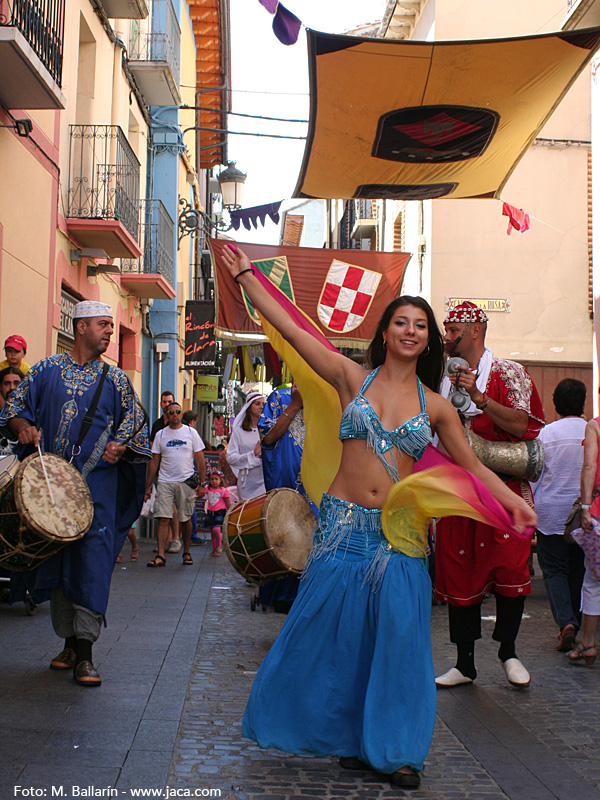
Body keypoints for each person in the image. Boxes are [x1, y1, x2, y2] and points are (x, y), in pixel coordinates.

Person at [221, 246, 536, 790]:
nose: (410, 332)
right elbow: (295, 334)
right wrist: (249, 278)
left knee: (401, 644)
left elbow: (471, 464)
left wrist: (511, 501)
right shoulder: (351, 379)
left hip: (399, 540)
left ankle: (399, 751)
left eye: (420, 326)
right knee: (334, 639)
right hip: (342, 531)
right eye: (401, 323)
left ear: (428, 339)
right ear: (385, 333)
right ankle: (351, 738)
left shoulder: (436, 406)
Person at [0, 301, 150, 686]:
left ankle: (86, 653)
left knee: (93, 565)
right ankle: (69, 643)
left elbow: (136, 421)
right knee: (61, 566)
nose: (109, 333)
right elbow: (14, 408)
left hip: (98, 490)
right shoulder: (46, 371)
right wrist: (23, 428)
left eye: (113, 328)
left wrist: (121, 444)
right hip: (52, 491)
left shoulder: (115, 379)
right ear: (80, 326)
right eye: (103, 325)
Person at [435, 301, 544, 689]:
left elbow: (524, 423)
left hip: (503, 488)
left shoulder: (509, 372)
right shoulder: (440, 377)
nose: (446, 337)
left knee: (510, 565)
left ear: (475, 330)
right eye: (446, 330)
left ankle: (508, 651)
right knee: (458, 567)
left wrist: (481, 398)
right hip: (458, 491)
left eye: (452, 330)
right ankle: (464, 663)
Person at [532, 379, 586, 652]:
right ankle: (575, 621)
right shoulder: (593, 431)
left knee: (553, 570)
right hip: (584, 516)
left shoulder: (545, 434)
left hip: (551, 514)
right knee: (579, 569)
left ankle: (565, 622)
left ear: (555, 403)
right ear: (584, 402)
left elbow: (535, 475)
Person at [257, 384, 316, 611]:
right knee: (284, 533)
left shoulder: (328, 396)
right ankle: (282, 596)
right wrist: (295, 405)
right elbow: (268, 438)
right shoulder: (278, 397)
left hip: (317, 484)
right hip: (286, 483)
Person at [145, 401, 206, 568]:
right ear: (165, 413)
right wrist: (148, 486)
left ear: (181, 413)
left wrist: (202, 483)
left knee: (185, 519)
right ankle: (160, 555)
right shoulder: (160, 435)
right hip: (165, 481)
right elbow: (154, 461)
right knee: (163, 518)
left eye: (177, 411)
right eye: (170, 412)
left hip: (185, 481)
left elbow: (200, 459)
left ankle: (186, 552)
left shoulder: (191, 433)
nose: (174, 415)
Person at [568, 411, 600, 666]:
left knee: (593, 580)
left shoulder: (595, 426)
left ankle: (588, 643)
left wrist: (586, 508)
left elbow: (589, 465)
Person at [150, 390, 181, 553]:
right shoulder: (157, 425)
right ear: (161, 405)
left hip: (178, 473)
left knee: (173, 508)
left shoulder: (180, 426)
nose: (167, 405)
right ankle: (167, 540)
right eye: (164, 402)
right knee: (164, 507)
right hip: (161, 472)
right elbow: (152, 450)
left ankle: (176, 539)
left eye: (170, 402)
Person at [226, 391, 266, 501]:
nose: (261, 407)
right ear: (249, 407)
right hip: (247, 483)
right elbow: (230, 458)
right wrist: (252, 455)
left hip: (265, 480)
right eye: (257, 404)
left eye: (263, 404)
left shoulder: (268, 430)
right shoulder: (239, 432)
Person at [204, 469, 231, 556]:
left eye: (216, 479)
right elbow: (200, 492)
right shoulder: (208, 489)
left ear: (220, 480)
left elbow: (227, 502)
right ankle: (214, 548)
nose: (214, 481)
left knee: (216, 529)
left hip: (220, 512)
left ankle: (219, 546)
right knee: (212, 530)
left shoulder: (223, 490)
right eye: (212, 479)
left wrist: (230, 511)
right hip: (211, 512)